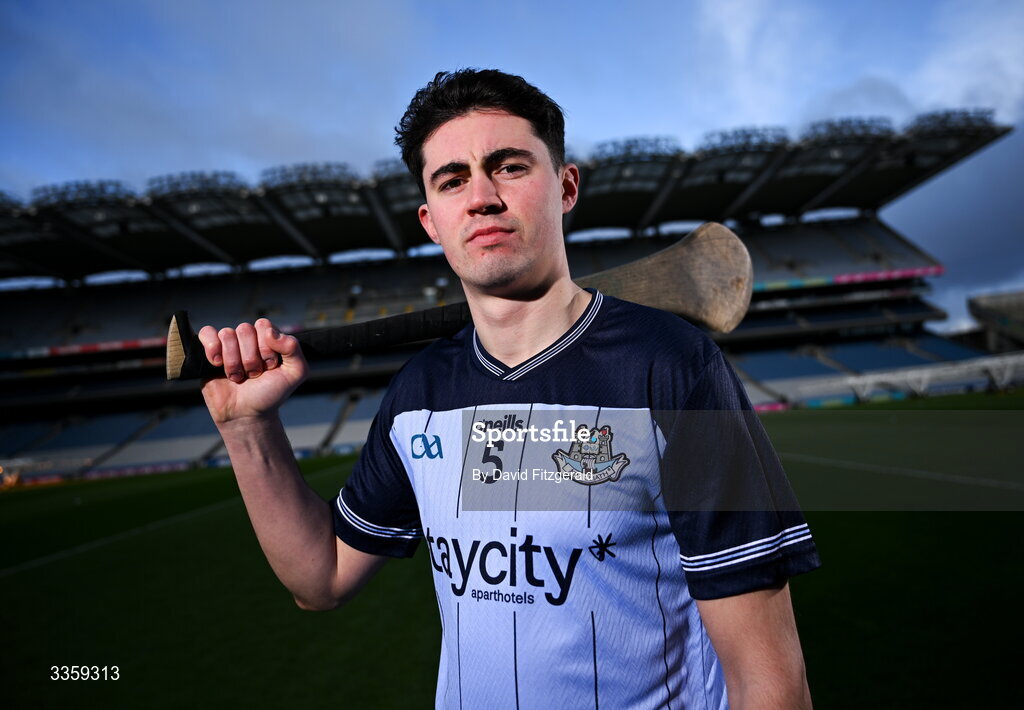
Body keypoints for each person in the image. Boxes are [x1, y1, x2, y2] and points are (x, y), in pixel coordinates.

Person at [198, 69, 820, 709]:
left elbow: (770, 682)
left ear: (567, 186)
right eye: (452, 180)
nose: (482, 197)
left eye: (510, 166)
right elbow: (321, 578)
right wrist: (248, 429)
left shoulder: (671, 367)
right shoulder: (420, 394)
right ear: (431, 220)